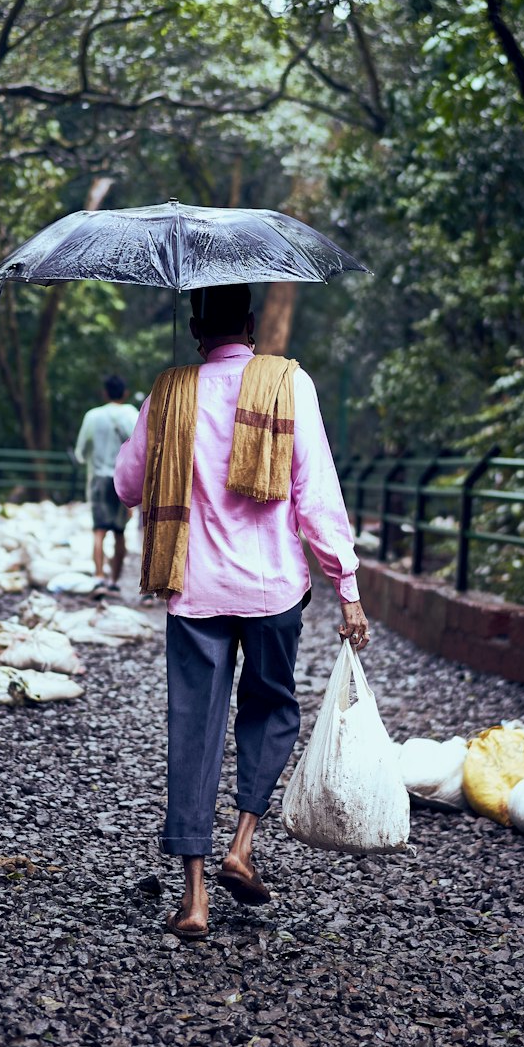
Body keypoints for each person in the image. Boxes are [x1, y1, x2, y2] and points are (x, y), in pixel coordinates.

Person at [113, 283, 368, 940]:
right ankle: (242, 844)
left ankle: (195, 898)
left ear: (198, 327)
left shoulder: (170, 392)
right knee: (273, 709)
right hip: (273, 591)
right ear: (251, 326)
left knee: (193, 729)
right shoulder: (290, 383)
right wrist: (347, 586)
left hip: (193, 589)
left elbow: (127, 484)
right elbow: (315, 493)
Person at [74, 375, 139, 592]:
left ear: (104, 393)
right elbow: (140, 447)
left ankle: (99, 577)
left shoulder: (93, 416)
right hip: (123, 480)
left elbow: (81, 452)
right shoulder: (132, 414)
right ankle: (114, 581)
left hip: (99, 479)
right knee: (120, 532)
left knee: (99, 530)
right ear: (125, 393)